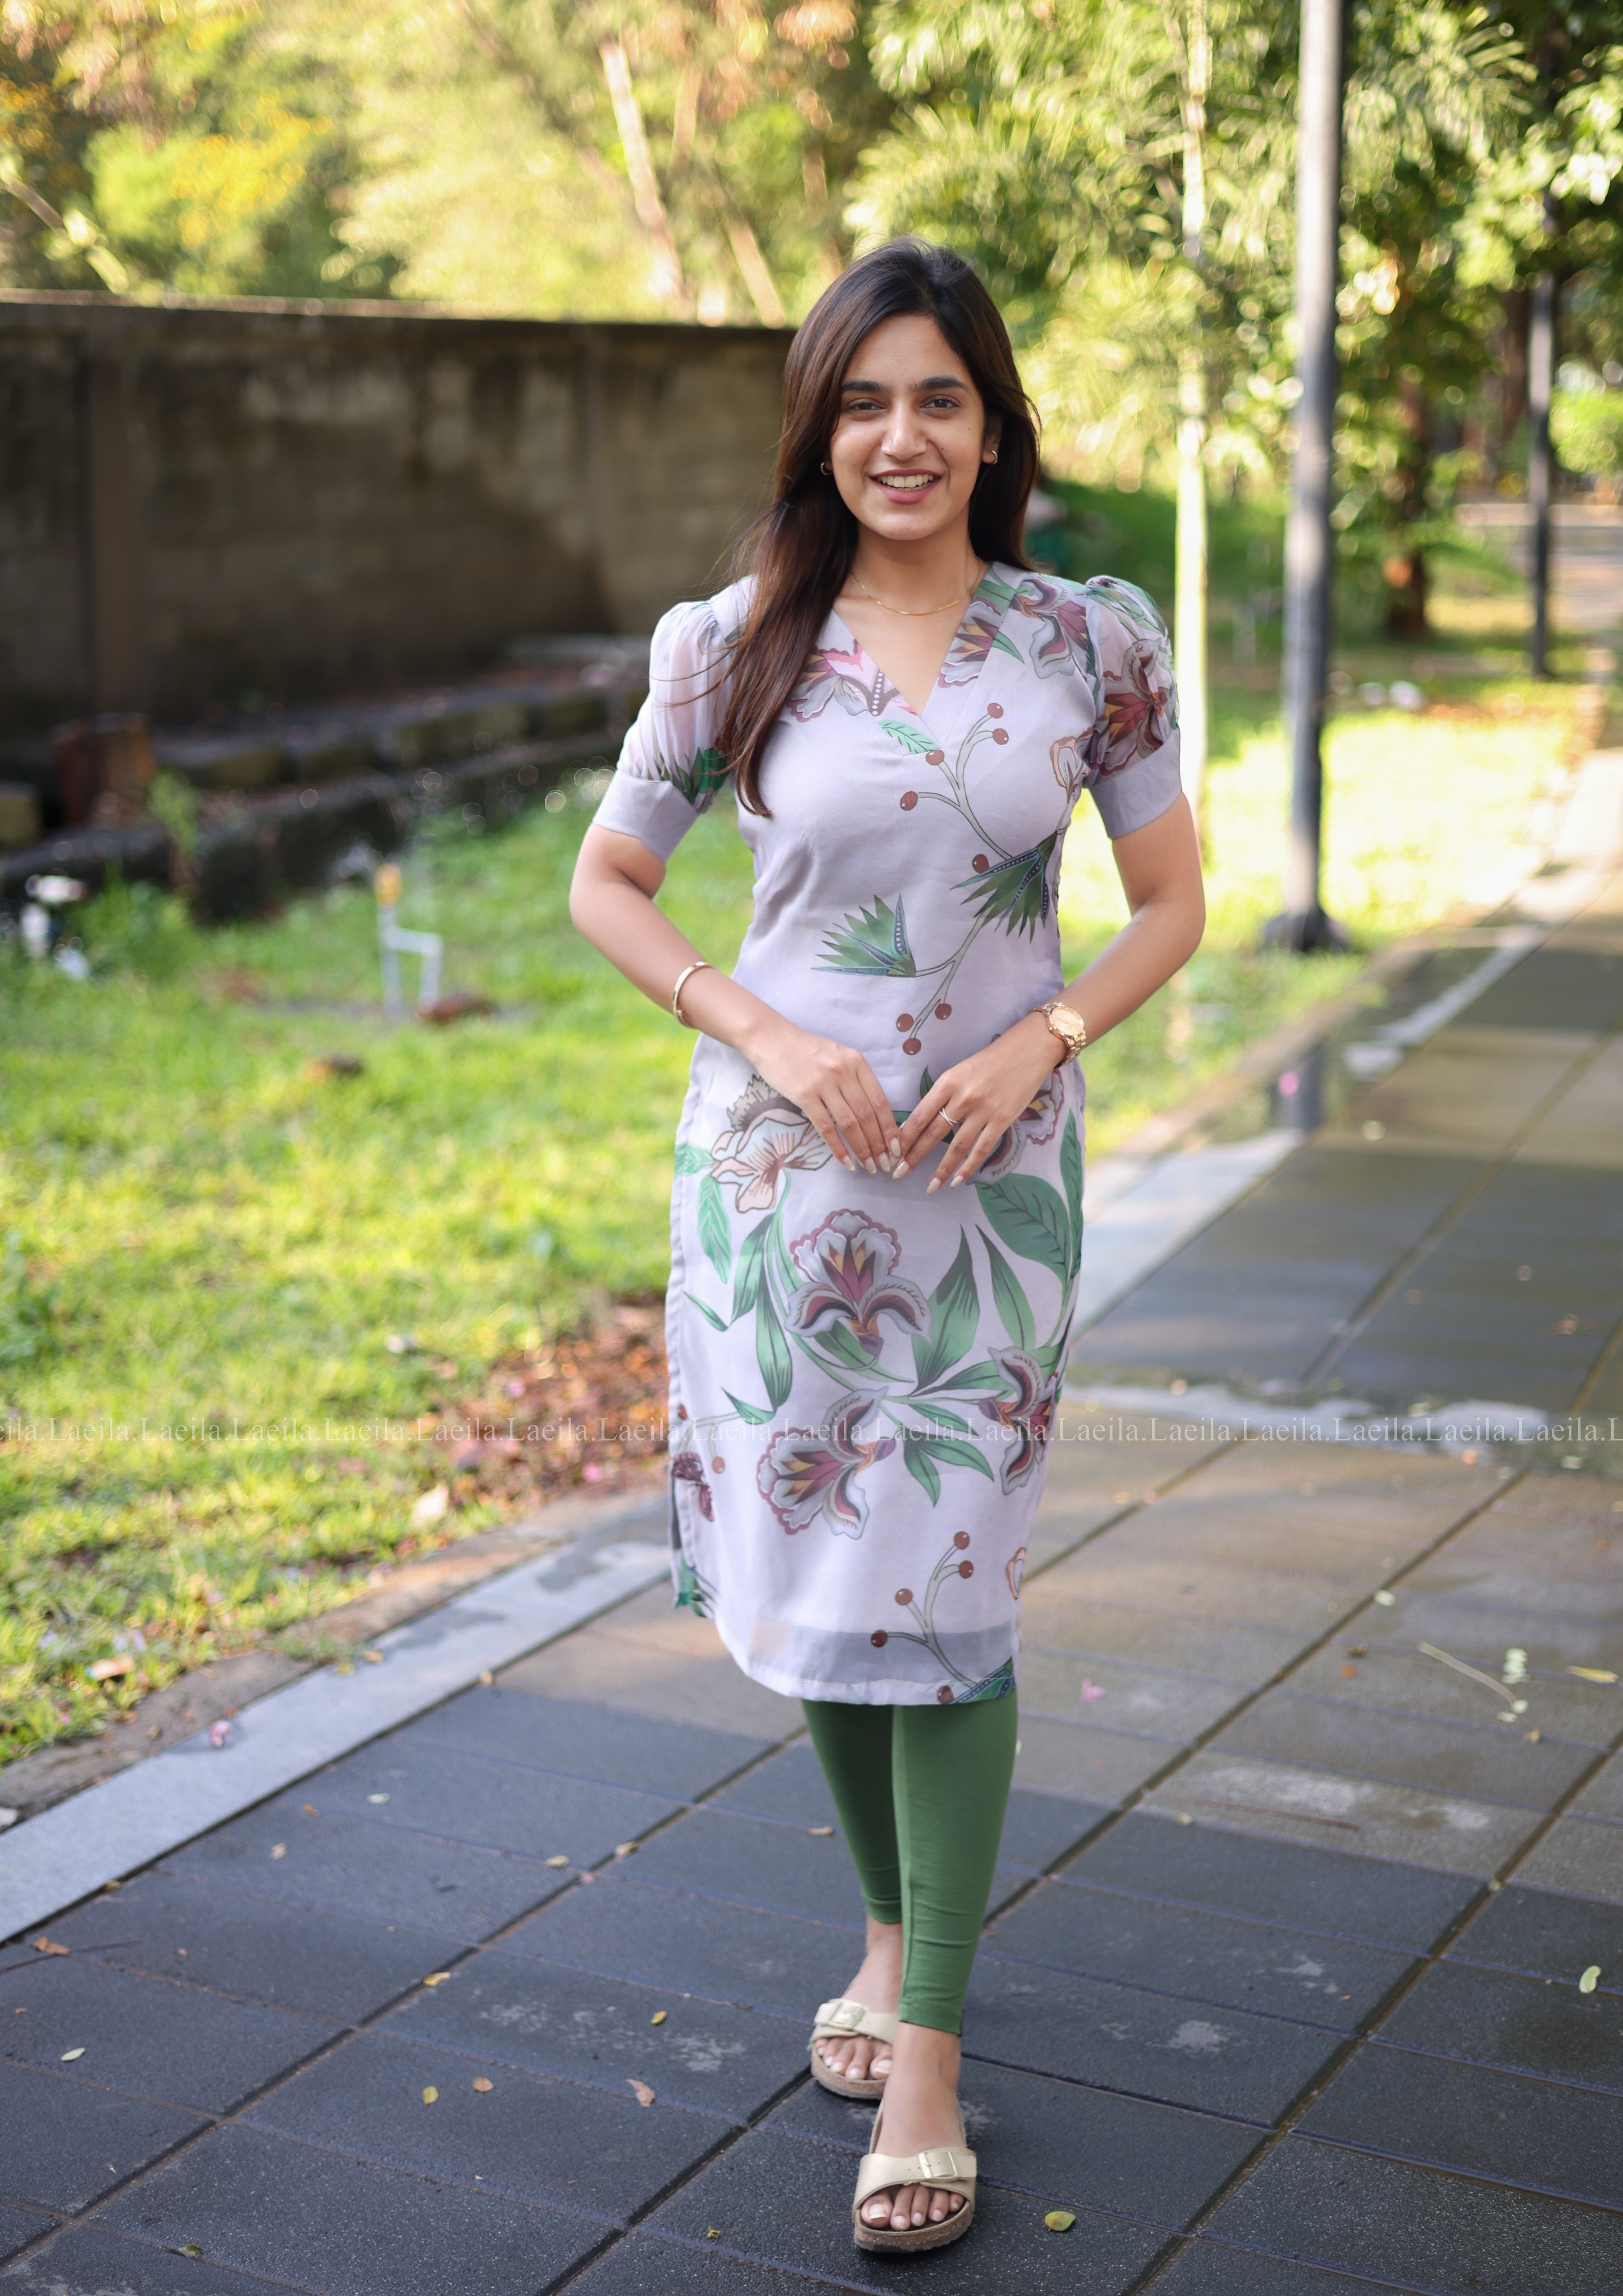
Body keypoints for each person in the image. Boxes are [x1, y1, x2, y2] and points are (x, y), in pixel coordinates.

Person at [569, 237, 1204, 2255]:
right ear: (815, 427)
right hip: (780, 1190)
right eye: (861, 401)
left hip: (992, 1196)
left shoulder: (1087, 643)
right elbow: (609, 881)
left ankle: (925, 2052)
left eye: (938, 397)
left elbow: (1172, 905)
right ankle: (882, 1924)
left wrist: (1043, 1042)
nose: (900, 436)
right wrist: (764, 1034)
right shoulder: (734, 643)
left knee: (951, 1585)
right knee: (823, 1575)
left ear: (994, 423)